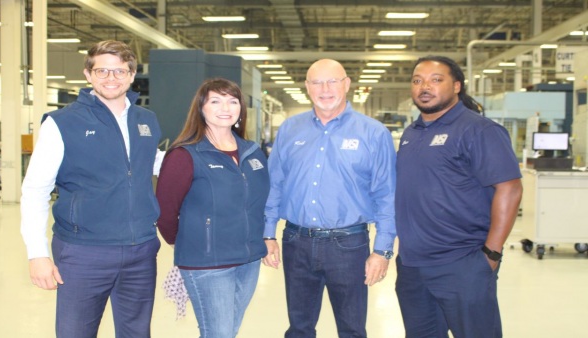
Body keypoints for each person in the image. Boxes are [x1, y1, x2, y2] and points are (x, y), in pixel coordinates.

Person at [20, 40, 163, 338]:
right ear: (88, 74)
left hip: (140, 250)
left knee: (137, 332)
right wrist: (37, 253)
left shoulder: (146, 120)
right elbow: (35, 190)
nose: (111, 78)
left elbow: (158, 164)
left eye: (119, 71)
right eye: (102, 71)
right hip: (84, 251)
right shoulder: (62, 123)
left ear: (132, 74)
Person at [263, 59, 397, 338]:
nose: (325, 89)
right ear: (307, 87)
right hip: (296, 242)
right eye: (317, 82)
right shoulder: (290, 129)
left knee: (351, 329)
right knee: (299, 328)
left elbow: (387, 195)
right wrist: (268, 234)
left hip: (348, 245)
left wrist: (382, 250)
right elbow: (274, 184)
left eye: (332, 81)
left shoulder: (373, 133)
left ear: (346, 84)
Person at [395, 55, 523, 338]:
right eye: (417, 81)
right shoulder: (411, 133)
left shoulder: (479, 130)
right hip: (412, 267)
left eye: (435, 80)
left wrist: (491, 252)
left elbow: (510, 188)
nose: (424, 87)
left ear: (456, 86)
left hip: (462, 263)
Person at [156, 78, 270, 338]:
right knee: (218, 333)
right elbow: (164, 211)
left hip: (249, 259)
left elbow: (261, 202)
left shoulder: (252, 153)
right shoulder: (185, 155)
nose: (225, 107)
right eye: (215, 101)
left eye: (232, 101)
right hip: (207, 263)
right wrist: (187, 241)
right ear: (201, 108)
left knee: (227, 331)